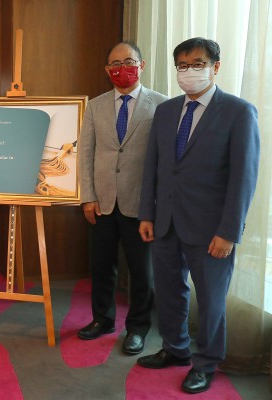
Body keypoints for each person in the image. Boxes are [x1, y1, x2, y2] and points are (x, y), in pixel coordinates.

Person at [137, 38, 259, 394]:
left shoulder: (238, 112)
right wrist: (147, 213)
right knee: (170, 290)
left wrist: (229, 231)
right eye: (183, 66)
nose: (190, 72)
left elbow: (243, 178)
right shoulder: (166, 110)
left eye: (198, 63)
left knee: (210, 300)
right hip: (166, 222)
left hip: (212, 230)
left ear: (216, 66)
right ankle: (175, 350)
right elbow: (154, 168)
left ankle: (206, 364)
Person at [77, 42, 167, 355]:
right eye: (114, 63)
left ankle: (138, 328)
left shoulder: (161, 105)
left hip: (140, 205)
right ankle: (102, 319)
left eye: (128, 61)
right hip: (101, 202)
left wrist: (155, 206)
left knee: (142, 271)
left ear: (142, 65)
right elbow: (85, 152)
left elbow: (164, 161)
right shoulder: (95, 106)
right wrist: (87, 196)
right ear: (106, 70)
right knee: (102, 266)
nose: (121, 67)